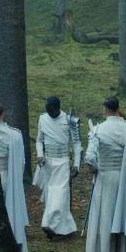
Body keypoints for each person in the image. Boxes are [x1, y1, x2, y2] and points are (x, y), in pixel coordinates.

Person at [83, 97, 126, 252]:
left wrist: (95, 170)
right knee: (125, 217)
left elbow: (89, 158)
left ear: (105, 110)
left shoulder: (98, 130)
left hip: (106, 178)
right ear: (119, 108)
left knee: (105, 217)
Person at [32, 96, 81, 240]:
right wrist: (40, 155)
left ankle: (50, 224)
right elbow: (39, 140)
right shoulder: (43, 119)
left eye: (52, 110)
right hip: (47, 162)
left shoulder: (69, 120)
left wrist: (77, 164)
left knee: (59, 193)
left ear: (58, 108)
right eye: (47, 110)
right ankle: (66, 229)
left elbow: (77, 144)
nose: (50, 113)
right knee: (50, 194)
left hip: (63, 161)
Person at [0, 103, 29, 252]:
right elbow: (22, 162)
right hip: (8, 177)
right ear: (3, 114)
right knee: (10, 212)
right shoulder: (14, 135)